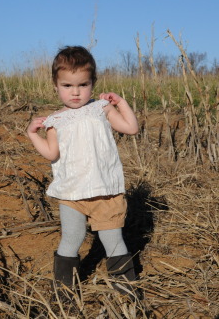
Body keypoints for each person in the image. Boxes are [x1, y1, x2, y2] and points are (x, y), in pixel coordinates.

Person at [26, 46, 139, 297]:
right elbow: (51, 154)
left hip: (105, 192)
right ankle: (64, 293)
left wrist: (120, 103)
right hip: (71, 193)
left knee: (113, 242)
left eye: (83, 84)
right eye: (67, 86)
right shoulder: (55, 120)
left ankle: (127, 293)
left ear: (93, 83)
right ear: (55, 85)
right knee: (71, 240)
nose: (75, 92)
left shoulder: (101, 108)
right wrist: (32, 134)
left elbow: (131, 128)